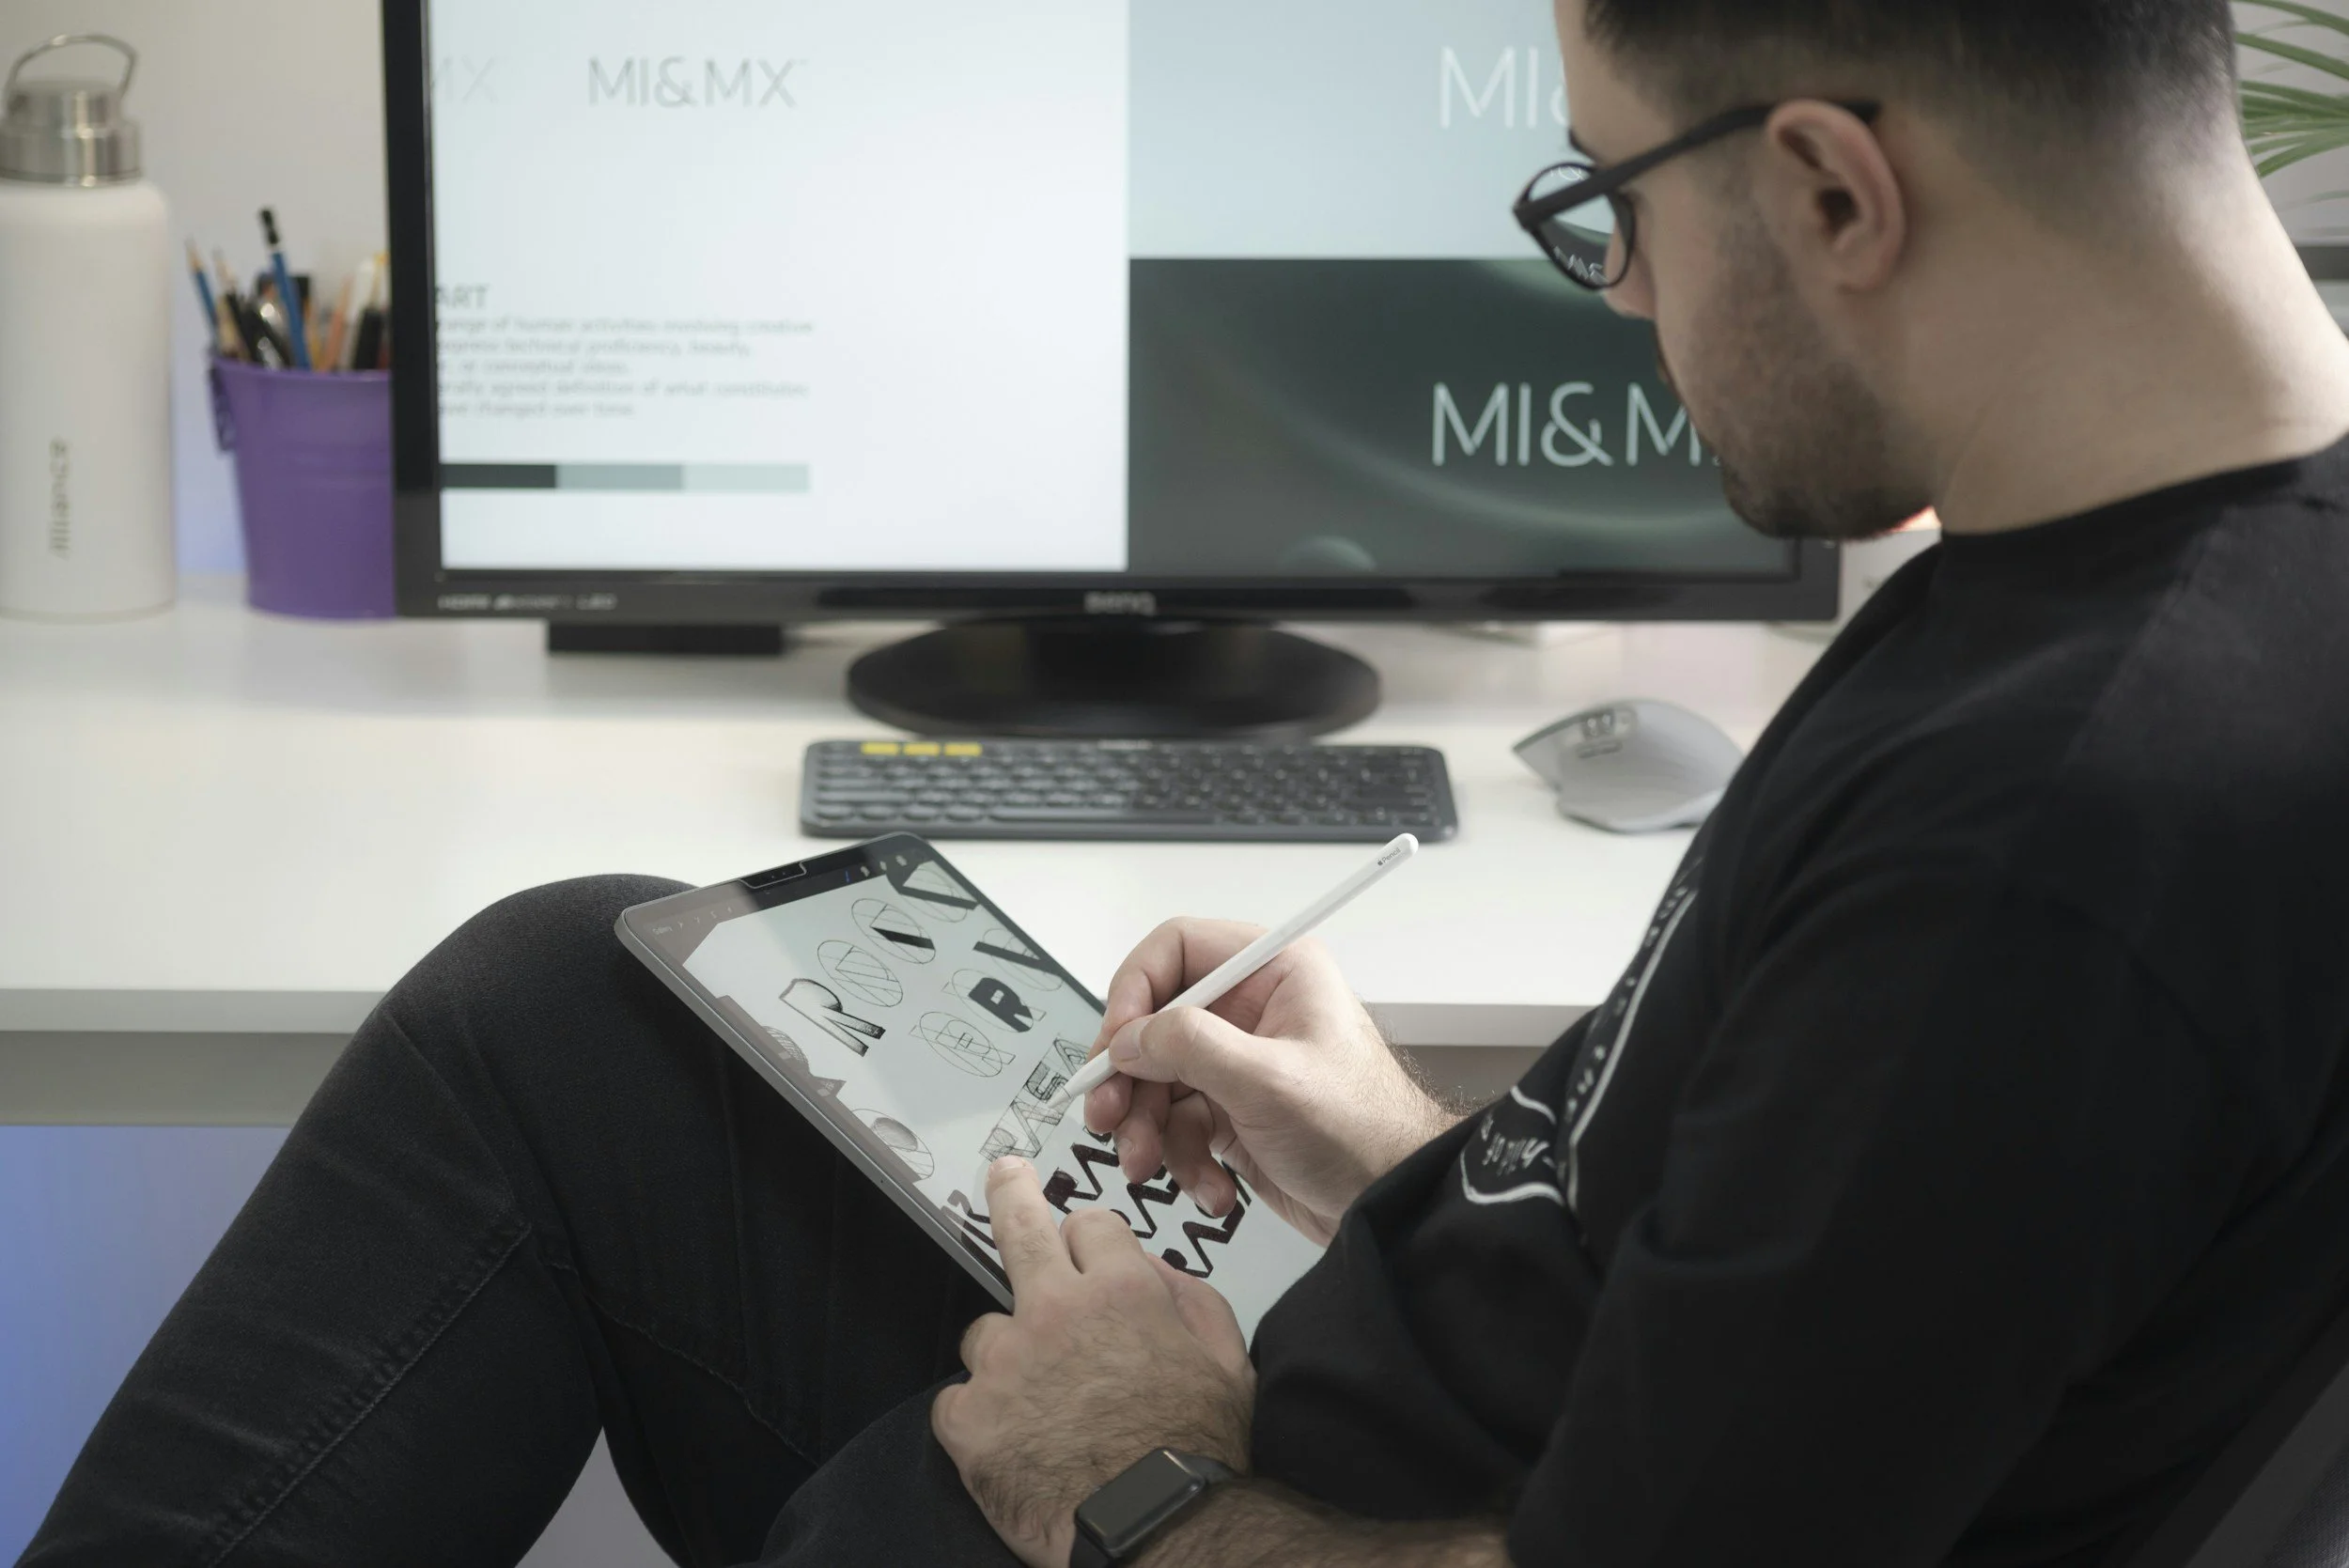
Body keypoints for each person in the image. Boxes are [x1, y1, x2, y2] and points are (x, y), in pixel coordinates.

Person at [25, 0, 2349, 1561]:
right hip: (1342, 1413)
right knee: (578, 999)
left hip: (1220, 1513)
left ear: (1833, 193)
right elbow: (1814, 1295)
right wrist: (1406, 1160)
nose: (1622, 293)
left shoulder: (2060, 837)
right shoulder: (2135, 567)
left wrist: (1128, 1466)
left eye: (1606, 204)